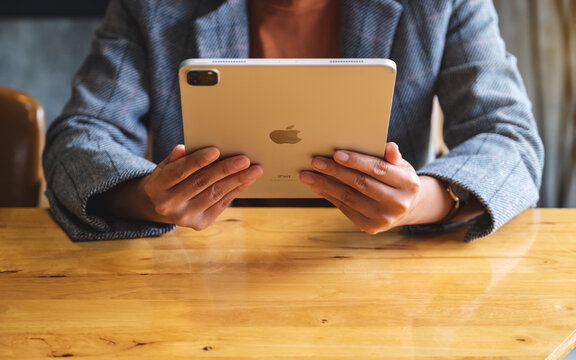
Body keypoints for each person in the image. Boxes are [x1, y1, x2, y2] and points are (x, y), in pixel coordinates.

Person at [42, 0, 544, 242]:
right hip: (197, 270)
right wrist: (147, 198)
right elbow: (80, 136)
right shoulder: (151, 6)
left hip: (377, 269)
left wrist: (424, 202)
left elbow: (510, 137)